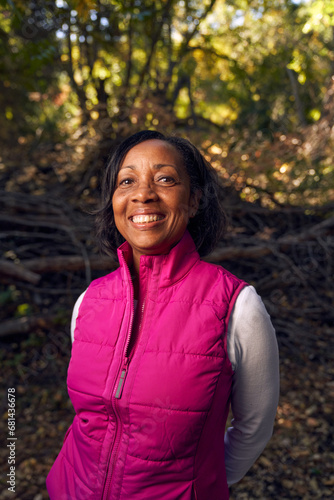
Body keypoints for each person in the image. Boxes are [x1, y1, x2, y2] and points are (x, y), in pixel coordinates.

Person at [46, 130, 279, 500]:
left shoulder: (238, 306)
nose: (143, 194)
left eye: (165, 179)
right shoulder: (88, 301)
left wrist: (200, 487)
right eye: (127, 181)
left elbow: (254, 428)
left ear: (194, 199)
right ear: (114, 201)